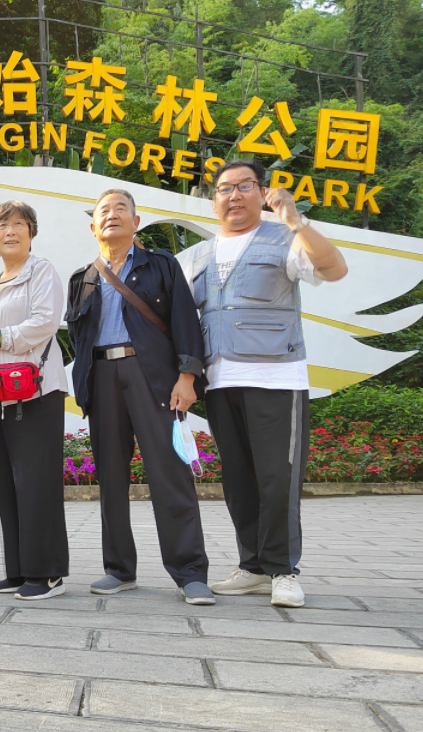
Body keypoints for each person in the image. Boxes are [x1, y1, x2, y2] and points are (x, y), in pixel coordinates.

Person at [185, 160, 348, 609]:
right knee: (239, 480)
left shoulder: (285, 239)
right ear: (213, 200)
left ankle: (283, 570)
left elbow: (335, 269)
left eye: (244, 186)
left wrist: (296, 221)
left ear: (262, 193)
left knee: (278, 478)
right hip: (219, 382)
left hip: (276, 377)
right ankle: (253, 567)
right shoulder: (197, 255)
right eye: (224, 188)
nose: (234, 195)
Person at [65, 189, 214, 605]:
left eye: (121, 209)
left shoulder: (160, 265)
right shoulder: (82, 278)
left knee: (170, 473)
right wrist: (85, 387)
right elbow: (78, 339)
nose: (111, 215)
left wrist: (187, 376)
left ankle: (190, 572)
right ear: (93, 227)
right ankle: (119, 569)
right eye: (104, 210)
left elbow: (184, 321)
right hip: (102, 377)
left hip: (152, 376)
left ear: (136, 222)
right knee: (111, 477)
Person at [0, 201, 69, 601]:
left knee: (37, 482)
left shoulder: (42, 272)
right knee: (6, 483)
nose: (10, 232)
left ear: (31, 232)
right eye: (2, 226)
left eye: (19, 224)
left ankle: (47, 573)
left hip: (37, 391)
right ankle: (20, 568)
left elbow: (45, 322)